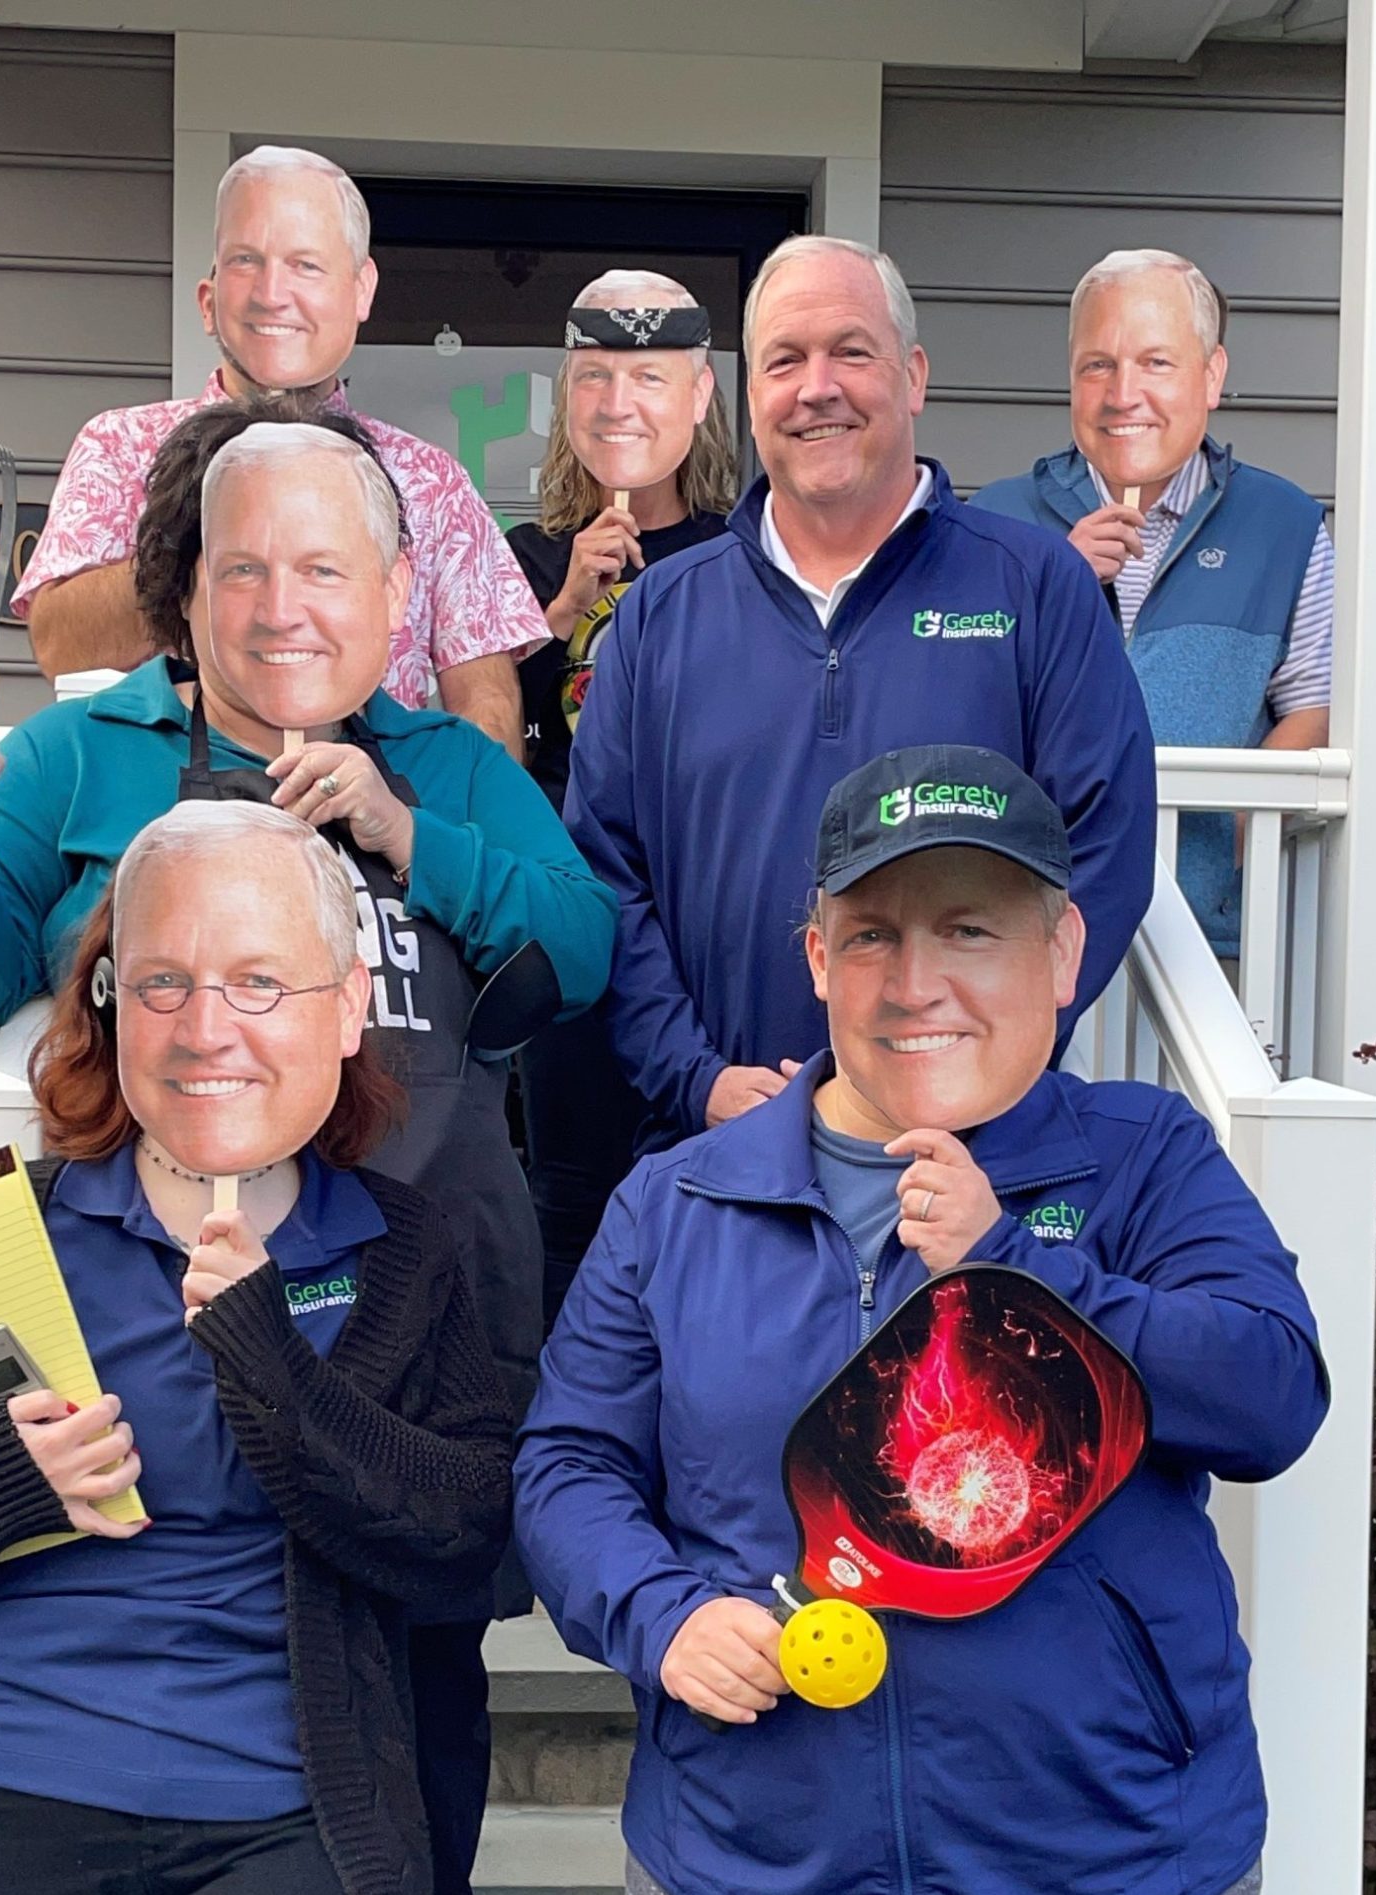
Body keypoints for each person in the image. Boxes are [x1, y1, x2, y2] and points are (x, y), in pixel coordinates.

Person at [0, 411, 616, 1892]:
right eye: (245, 568)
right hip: (148, 1353)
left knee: (405, 1744)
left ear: (395, 600)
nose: (284, 609)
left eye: (325, 571)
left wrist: (403, 829)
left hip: (411, 1345)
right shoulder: (88, 750)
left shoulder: (448, 766)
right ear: (186, 589)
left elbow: (578, 955)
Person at [516, 744, 1326, 1895]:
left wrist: (1016, 1267)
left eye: (971, 930)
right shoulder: (678, 1198)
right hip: (749, 1856)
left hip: (1116, 1854)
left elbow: (1272, 1397)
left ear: (1062, 954)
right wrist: (663, 1615)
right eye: (873, 935)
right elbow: (569, 1464)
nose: (916, 981)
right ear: (817, 958)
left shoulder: (1144, 1161)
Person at [0, 799, 514, 1895]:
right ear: (112, 1006)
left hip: (286, 1808)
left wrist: (275, 1367)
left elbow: (463, 1534)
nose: (204, 1028)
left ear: (349, 1005)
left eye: (258, 982)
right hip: (4, 1784)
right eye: (162, 981)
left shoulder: (404, 1253)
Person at [565, 233, 1157, 1151]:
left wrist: (971, 1063)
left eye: (850, 351)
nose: (816, 388)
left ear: (912, 376)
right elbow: (605, 873)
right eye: (784, 361)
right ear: (750, 394)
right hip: (719, 1153)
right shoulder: (658, 618)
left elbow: (1103, 848)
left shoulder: (1034, 591)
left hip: (968, 1154)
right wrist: (692, 1076)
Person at [14, 144, 546, 757]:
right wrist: (204, 516)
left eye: (306, 265)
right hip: (164, 826)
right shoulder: (120, 445)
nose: (272, 292)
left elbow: (487, 703)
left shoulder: (431, 480)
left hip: (364, 829)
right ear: (209, 299)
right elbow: (61, 650)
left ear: (361, 290)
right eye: (246, 261)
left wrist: (433, 838)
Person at [972, 248, 1332, 956]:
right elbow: (954, 700)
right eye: (1096, 365)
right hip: (1024, 946)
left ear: (1212, 376)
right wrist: (1055, 586)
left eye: (1155, 363)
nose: (1121, 393)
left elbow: (1310, 709)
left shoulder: (1283, 525)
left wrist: (1219, 854)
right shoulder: (992, 525)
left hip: (1211, 953)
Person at [505, 267, 739, 1323]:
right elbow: (485, 738)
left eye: (648, 374)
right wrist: (562, 608)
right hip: (570, 911)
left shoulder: (745, 552)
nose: (618, 400)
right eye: (595, 374)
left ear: (698, 396)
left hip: (697, 908)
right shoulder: (526, 555)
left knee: (710, 1182)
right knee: (570, 1192)